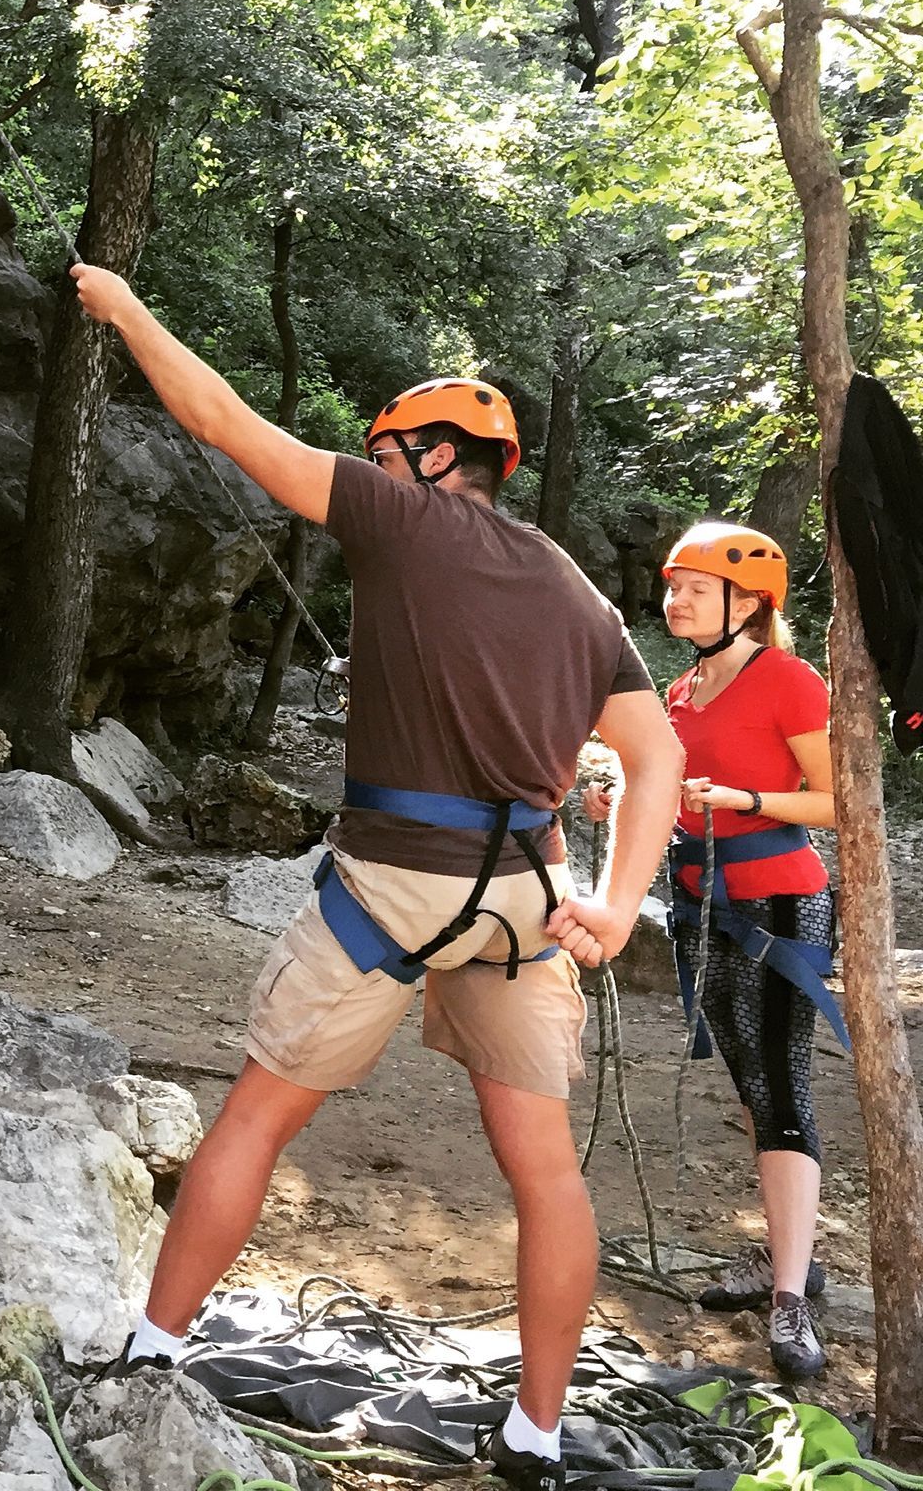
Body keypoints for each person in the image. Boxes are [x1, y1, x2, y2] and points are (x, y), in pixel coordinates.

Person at [70, 263, 683, 1491]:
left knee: (257, 1115)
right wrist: (616, 902)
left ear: (433, 455)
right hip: (527, 900)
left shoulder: (401, 518)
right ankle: (539, 1437)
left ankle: (148, 1358)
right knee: (546, 1168)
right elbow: (655, 748)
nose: (379, 464)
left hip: (391, 888)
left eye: (390, 448)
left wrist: (128, 310)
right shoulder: (573, 588)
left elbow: (223, 424)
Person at [584, 523, 836, 1380]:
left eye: (694, 586)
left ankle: (793, 1296)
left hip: (781, 903)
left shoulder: (791, 682)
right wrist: (613, 800)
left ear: (749, 602)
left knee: (780, 1077)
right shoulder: (682, 691)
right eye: (672, 584)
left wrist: (747, 797)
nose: (674, 599)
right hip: (704, 904)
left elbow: (842, 802)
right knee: (748, 1081)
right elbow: (665, 790)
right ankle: (784, 1257)